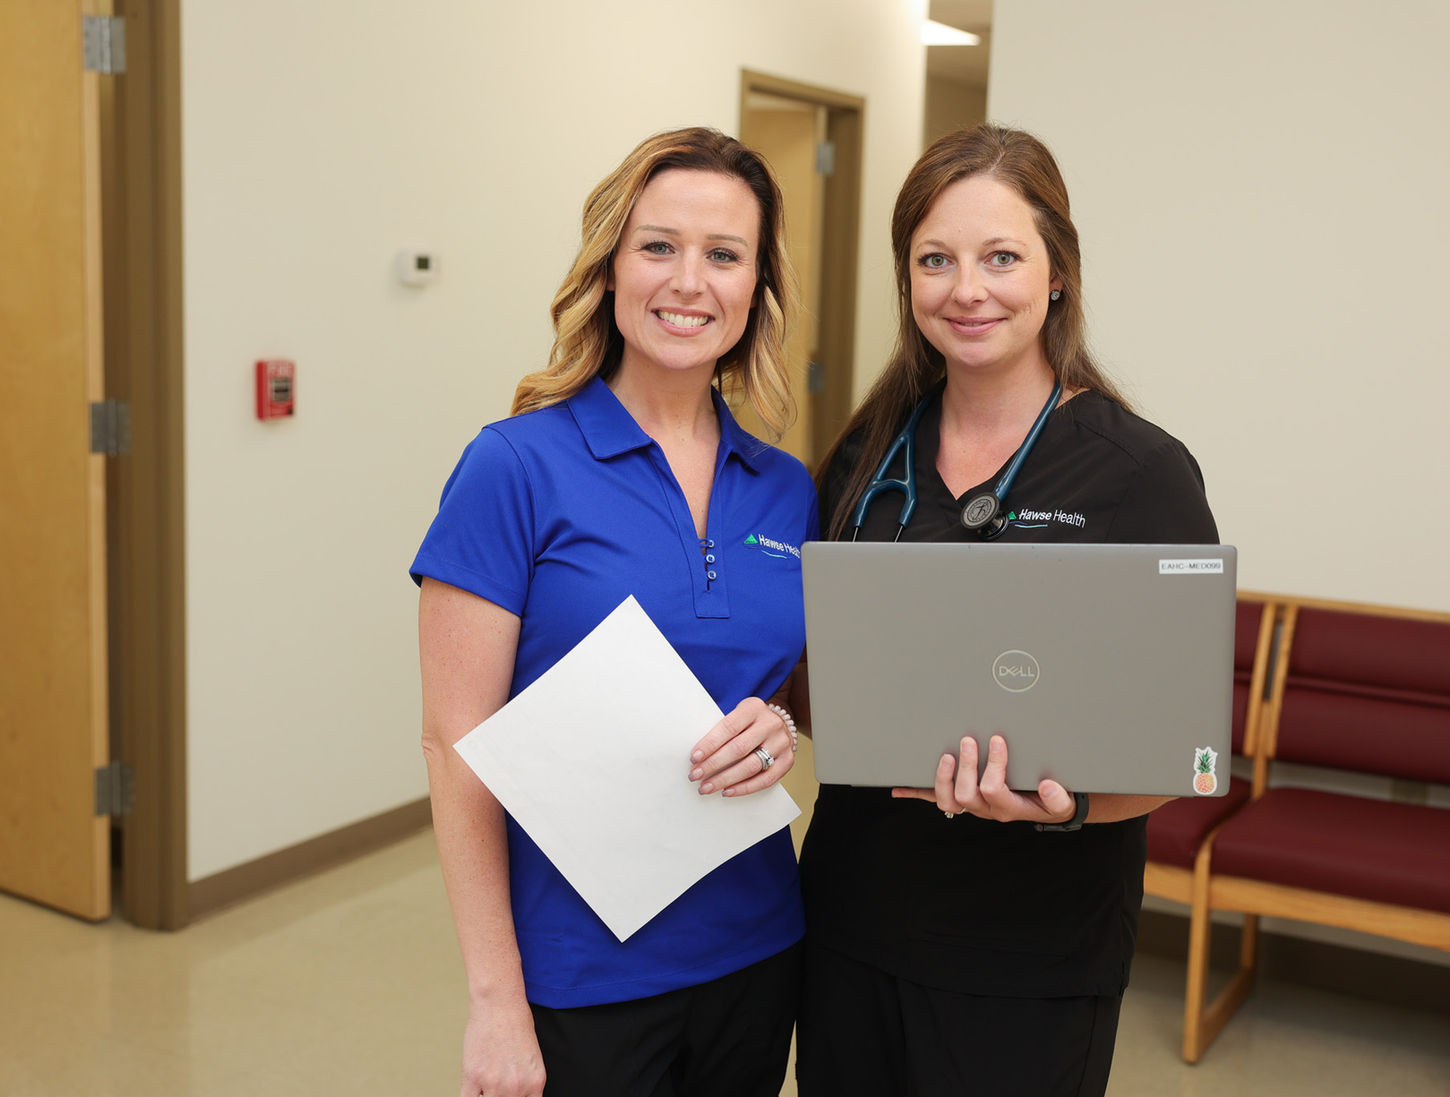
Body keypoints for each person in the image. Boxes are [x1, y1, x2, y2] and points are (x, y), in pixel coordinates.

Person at [793, 123, 1219, 1097]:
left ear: (1058, 270)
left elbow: (1177, 750)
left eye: (1000, 257)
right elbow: (817, 678)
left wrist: (1063, 809)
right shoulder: (864, 459)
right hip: (854, 918)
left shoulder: (1139, 473)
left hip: (1033, 948)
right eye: (934, 259)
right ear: (906, 277)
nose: (966, 289)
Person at [412, 127, 814, 1097]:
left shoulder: (790, 489)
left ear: (756, 289)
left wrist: (781, 728)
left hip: (758, 950)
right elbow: (454, 742)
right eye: (658, 245)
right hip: (579, 971)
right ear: (609, 266)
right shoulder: (513, 466)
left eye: (724, 255)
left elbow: (787, 696)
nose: (689, 281)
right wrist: (495, 998)